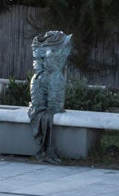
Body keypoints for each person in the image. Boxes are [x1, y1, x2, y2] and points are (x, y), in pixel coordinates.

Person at [29, 31, 74, 163]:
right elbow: (37, 63)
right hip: (38, 80)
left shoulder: (63, 42)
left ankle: (47, 148)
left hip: (54, 79)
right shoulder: (37, 42)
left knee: (53, 109)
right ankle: (44, 148)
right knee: (38, 109)